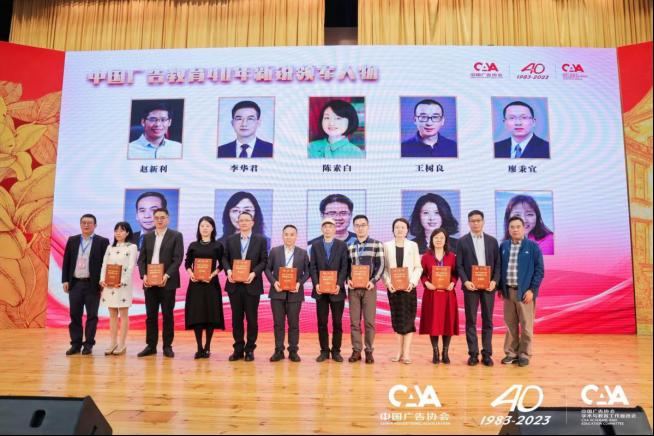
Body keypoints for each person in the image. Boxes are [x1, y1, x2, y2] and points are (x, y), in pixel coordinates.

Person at [136, 208, 184, 358]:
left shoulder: (176, 236)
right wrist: (144, 275)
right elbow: (141, 260)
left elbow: (178, 258)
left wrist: (167, 275)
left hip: (167, 282)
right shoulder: (147, 237)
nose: (159, 220)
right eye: (156, 218)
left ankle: (167, 346)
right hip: (149, 283)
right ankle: (151, 346)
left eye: (162, 217)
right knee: (151, 316)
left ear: (168, 219)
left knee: (168, 315)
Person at [455, 210, 501, 367]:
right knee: (471, 321)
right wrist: (466, 281)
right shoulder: (462, 241)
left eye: (478, 220)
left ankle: (487, 354)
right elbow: (459, 265)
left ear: (483, 221)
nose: (475, 223)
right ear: (469, 223)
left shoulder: (492, 241)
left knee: (488, 320)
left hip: (489, 287)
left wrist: (494, 281)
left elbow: (498, 264)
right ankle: (473, 354)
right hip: (471, 287)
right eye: (472, 221)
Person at [222, 212, 269, 362]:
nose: (243, 223)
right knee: (236, 319)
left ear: (252, 223)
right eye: (241, 220)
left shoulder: (260, 240)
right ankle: (238, 349)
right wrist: (228, 271)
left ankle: (249, 349)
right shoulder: (230, 240)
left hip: (252, 284)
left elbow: (264, 260)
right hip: (234, 285)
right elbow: (224, 258)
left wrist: (254, 273)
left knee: (252, 319)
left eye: (246, 220)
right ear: (237, 223)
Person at [61, 214, 110, 356]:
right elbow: (66, 261)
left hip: (92, 285)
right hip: (75, 283)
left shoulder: (102, 241)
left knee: (92, 316)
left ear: (95, 225)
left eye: (89, 223)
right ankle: (75, 344)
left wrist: (103, 281)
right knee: (74, 315)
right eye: (83, 222)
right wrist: (65, 280)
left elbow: (106, 264)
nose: (86, 225)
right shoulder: (73, 240)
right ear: (80, 224)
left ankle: (88, 344)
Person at [499, 216, 545, 367]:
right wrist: (500, 288)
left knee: (526, 326)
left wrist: (532, 290)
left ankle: (524, 354)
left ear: (524, 228)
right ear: (508, 229)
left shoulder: (533, 247)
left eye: (518, 226)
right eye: (512, 227)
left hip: (525, 293)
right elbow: (499, 268)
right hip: (508, 292)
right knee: (510, 325)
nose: (515, 230)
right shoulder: (504, 246)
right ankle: (511, 353)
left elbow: (539, 271)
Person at [264, 224, 311, 362]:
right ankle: (278, 351)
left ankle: (293, 351)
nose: (289, 237)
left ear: (296, 236)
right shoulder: (274, 251)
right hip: (277, 293)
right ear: (282, 236)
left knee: (294, 324)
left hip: (295, 293)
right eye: (286, 234)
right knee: (278, 324)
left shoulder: (303, 253)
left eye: (292, 234)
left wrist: (299, 283)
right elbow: (267, 269)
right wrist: (274, 282)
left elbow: (308, 271)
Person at [383, 218, 423, 364]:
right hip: (393, 289)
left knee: (408, 321)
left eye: (403, 227)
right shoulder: (386, 246)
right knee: (397, 320)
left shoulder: (413, 245)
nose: (399, 230)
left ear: (407, 230)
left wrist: (412, 283)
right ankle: (398, 352)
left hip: (409, 289)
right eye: (397, 227)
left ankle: (406, 353)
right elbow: (383, 268)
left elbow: (418, 267)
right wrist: (388, 283)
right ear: (393, 230)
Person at [184, 216, 225, 359]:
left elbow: (222, 265)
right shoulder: (193, 245)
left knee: (210, 315)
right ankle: (199, 348)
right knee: (198, 316)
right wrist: (191, 274)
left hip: (211, 284)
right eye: (202, 226)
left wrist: (212, 274)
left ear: (212, 228)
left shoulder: (218, 245)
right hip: (196, 285)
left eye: (208, 226)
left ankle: (207, 347)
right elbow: (187, 263)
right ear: (199, 228)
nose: (205, 228)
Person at [309, 218, 349, 363]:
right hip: (320, 291)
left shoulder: (342, 245)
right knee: (322, 322)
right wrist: (316, 284)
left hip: (337, 291)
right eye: (325, 226)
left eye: (330, 226)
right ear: (322, 229)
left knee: (337, 322)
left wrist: (339, 284)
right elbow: (312, 266)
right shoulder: (315, 245)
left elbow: (344, 266)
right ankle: (324, 351)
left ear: (334, 229)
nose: (327, 229)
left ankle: (336, 351)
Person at [346, 214, 384, 364]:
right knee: (354, 322)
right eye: (357, 225)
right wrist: (347, 280)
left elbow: (381, 265)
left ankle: (369, 351)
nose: (360, 228)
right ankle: (356, 350)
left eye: (363, 225)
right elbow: (346, 267)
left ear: (368, 227)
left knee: (369, 322)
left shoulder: (376, 244)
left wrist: (373, 281)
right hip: (353, 289)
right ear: (354, 227)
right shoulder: (349, 246)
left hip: (369, 288)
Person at [419, 228, 459, 364]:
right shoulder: (426, 257)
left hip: (448, 295)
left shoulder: (452, 257)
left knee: (448, 323)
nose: (438, 240)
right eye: (436, 237)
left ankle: (445, 352)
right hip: (432, 295)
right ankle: (435, 352)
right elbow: (422, 274)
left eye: (441, 237)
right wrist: (426, 283)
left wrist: (453, 283)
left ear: (446, 240)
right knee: (433, 323)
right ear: (432, 240)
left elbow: (455, 274)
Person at [99, 221, 138, 356]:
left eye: (121, 230)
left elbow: (131, 266)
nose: (118, 233)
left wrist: (122, 282)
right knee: (112, 315)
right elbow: (104, 265)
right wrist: (102, 280)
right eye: (116, 231)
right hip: (109, 285)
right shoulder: (110, 247)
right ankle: (113, 342)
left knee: (123, 314)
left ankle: (122, 343)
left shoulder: (132, 247)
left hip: (123, 286)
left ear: (127, 233)